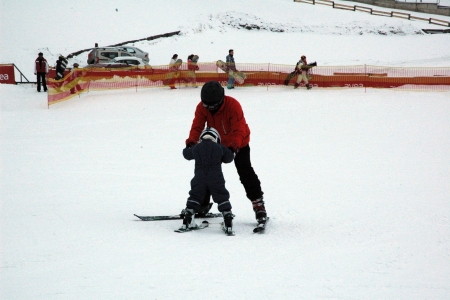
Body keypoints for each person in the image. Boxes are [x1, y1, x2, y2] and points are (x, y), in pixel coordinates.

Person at [185, 81, 267, 225]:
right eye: (206, 106)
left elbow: (239, 129)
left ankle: (258, 204)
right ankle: (202, 204)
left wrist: (233, 147)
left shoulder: (233, 106)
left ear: (221, 100)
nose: (209, 109)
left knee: (245, 172)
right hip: (215, 143)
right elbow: (197, 126)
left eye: (213, 106)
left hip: (238, 143)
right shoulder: (201, 107)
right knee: (206, 172)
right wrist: (191, 143)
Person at [181, 127, 235, 233]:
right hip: (216, 178)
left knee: (195, 196)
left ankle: (188, 217)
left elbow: (186, 154)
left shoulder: (196, 148)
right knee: (221, 196)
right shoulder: (219, 147)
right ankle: (227, 216)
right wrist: (231, 148)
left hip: (199, 178)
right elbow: (229, 158)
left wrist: (189, 144)